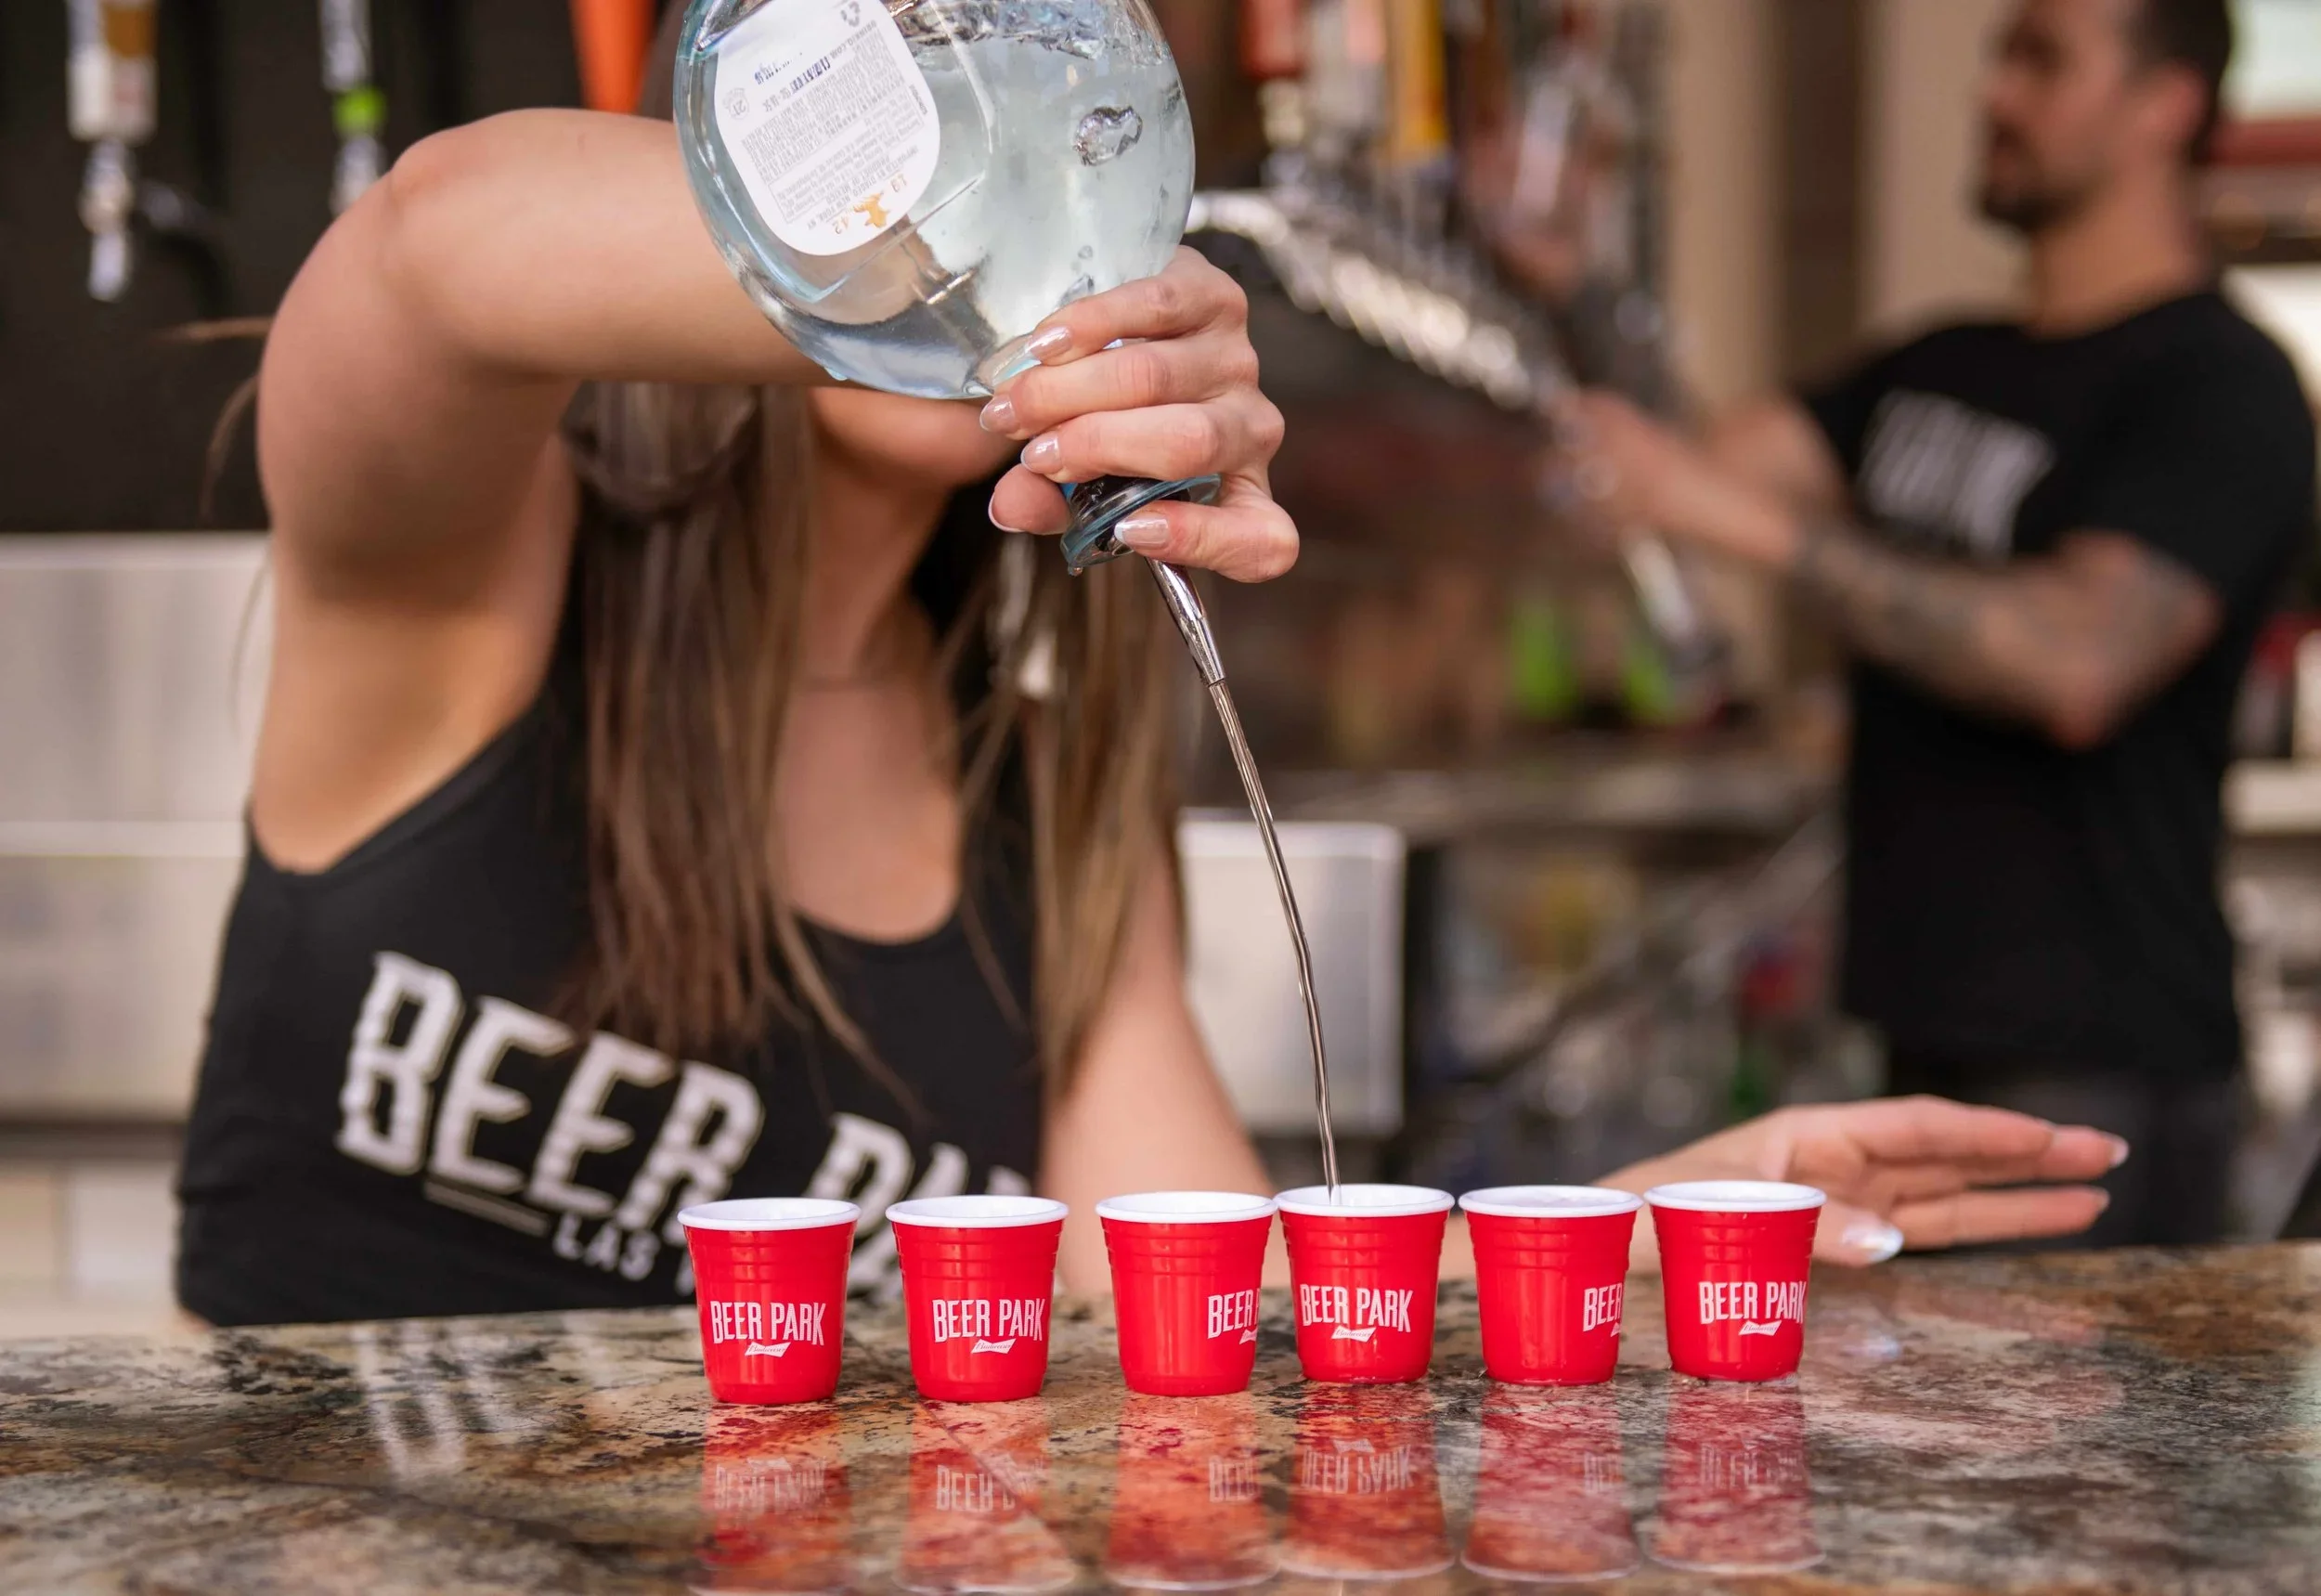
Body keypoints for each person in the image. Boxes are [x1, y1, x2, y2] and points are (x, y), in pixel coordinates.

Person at [174, 11, 2124, 1329]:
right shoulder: (479, 589)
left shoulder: (1043, 804)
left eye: (1033, 170)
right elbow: (430, 255)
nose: (1001, 235)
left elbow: (1217, 1297)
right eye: (937, 156)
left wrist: (1647, 1219)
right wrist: (922, 279)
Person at [1557, 0, 2315, 1247]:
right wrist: (1572, 285)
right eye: (1998, 54)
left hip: (2102, 1066)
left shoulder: (2219, 383)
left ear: (2166, 105)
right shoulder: (1935, 364)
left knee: (2061, 1448)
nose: (1995, 93)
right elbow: (1676, 467)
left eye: (2043, 60)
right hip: (1921, 1036)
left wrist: (1750, 525)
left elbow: (2082, 659)